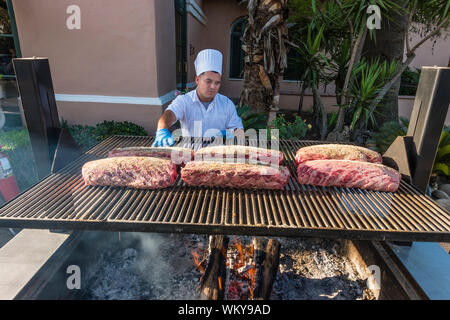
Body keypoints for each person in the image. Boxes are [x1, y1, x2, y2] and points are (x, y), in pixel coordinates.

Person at [152, 49, 244, 147]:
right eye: (208, 81)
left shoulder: (226, 104)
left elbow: (239, 131)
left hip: (217, 157)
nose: (213, 87)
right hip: (190, 155)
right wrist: (162, 130)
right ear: (197, 80)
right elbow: (168, 115)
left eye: (217, 82)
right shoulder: (184, 101)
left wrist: (230, 133)